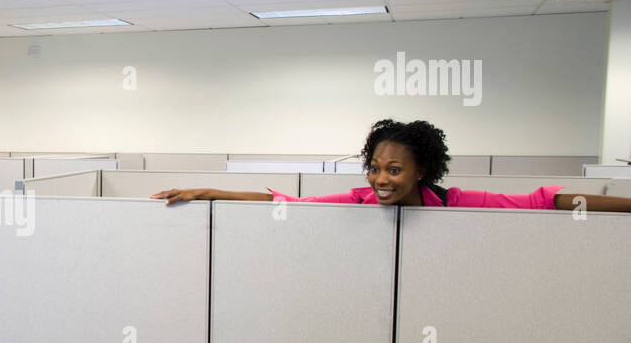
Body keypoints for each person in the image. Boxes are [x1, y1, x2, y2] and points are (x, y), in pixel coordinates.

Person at [151, 119, 631, 212]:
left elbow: (542, 202)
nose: (381, 179)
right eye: (376, 167)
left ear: (421, 171)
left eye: (395, 170)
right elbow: (288, 202)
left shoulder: (455, 204)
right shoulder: (357, 202)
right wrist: (210, 192)